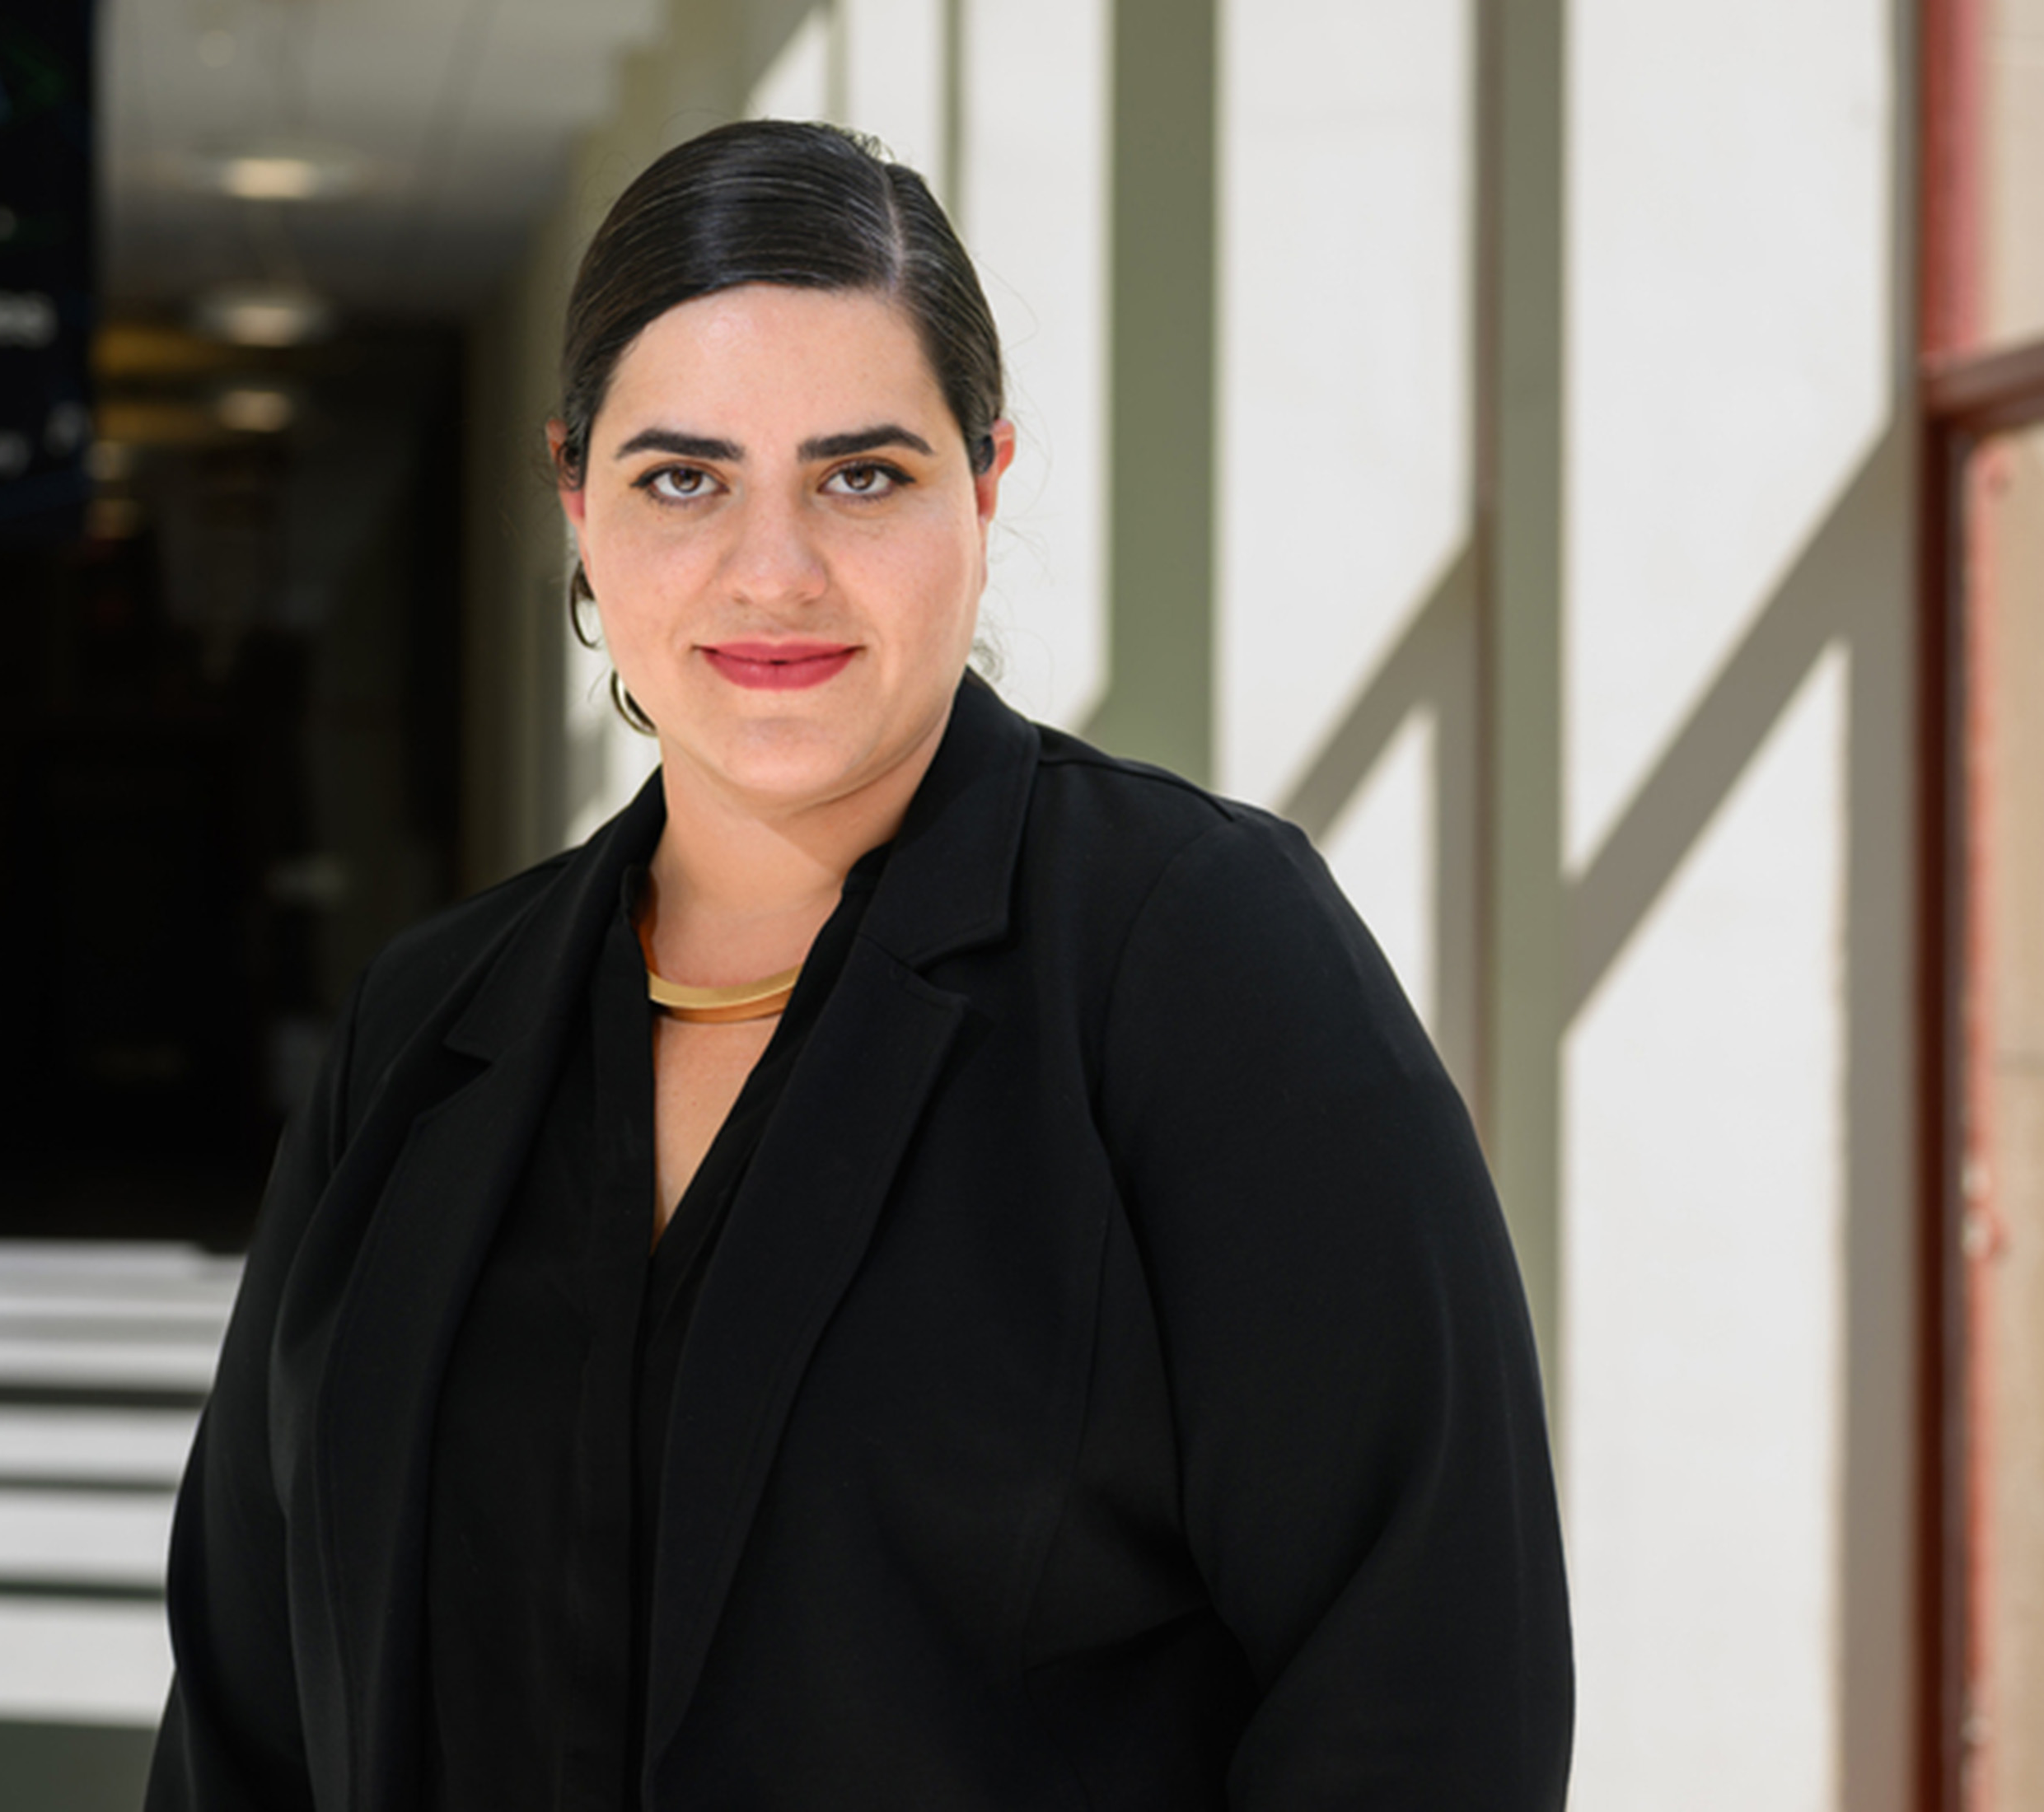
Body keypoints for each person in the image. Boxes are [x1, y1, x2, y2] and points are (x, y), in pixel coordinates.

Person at [147, 120, 1571, 1811]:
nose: (773, 569)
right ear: (575, 497)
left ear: (985, 483)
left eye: (863, 473)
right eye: (684, 476)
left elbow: (1423, 1690)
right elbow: (247, 1713)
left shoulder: (1202, 958)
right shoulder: (424, 1026)